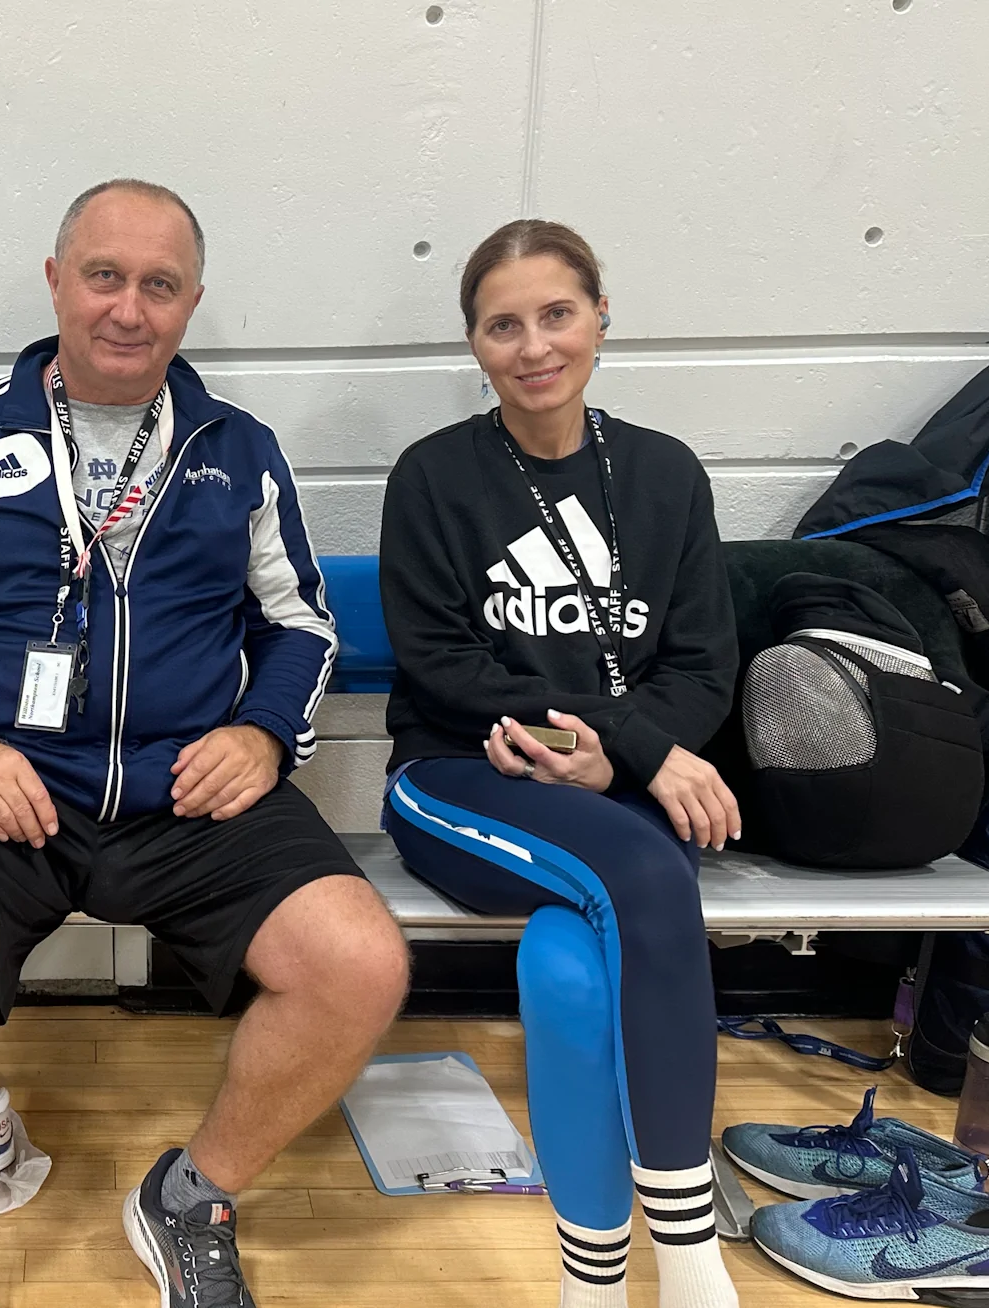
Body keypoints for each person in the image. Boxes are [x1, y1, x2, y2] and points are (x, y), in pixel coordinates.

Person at [0, 178, 411, 1308]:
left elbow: (300, 622)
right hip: (3, 791)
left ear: (191, 302)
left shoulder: (238, 449)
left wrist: (264, 735)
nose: (128, 308)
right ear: (57, 281)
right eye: (104, 276)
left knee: (360, 965)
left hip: (189, 796)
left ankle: (192, 1195)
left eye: (160, 285)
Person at [378, 220, 744, 1308]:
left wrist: (611, 764)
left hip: (606, 802)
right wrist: (626, 745)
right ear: (474, 344)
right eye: (504, 325)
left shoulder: (665, 473)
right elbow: (445, 669)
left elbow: (703, 664)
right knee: (643, 874)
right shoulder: (435, 476)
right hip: (459, 779)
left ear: (599, 319)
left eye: (556, 315)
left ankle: (591, 1282)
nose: (533, 346)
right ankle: (690, 1258)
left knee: (568, 968)